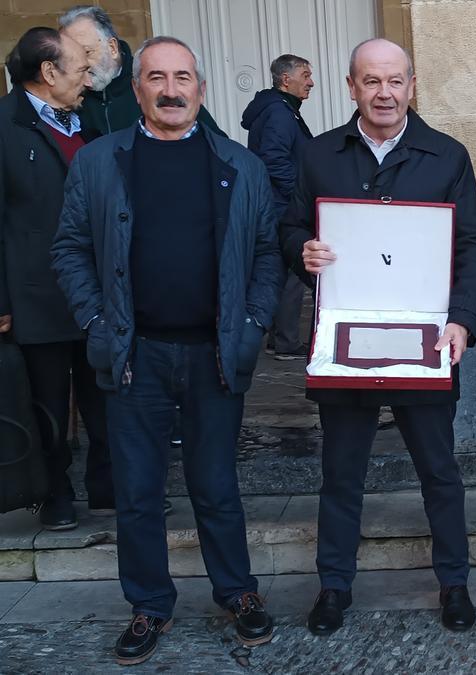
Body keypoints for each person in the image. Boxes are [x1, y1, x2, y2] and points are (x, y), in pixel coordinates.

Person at [51, 36, 281, 665]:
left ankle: (238, 593)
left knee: (216, 486)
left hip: (213, 354)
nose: (172, 89)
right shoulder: (100, 162)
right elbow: (69, 249)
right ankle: (149, 604)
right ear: (138, 90)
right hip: (133, 354)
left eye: (183, 77)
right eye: (158, 77)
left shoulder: (241, 164)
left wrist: (255, 321)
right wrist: (97, 322)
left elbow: (267, 253)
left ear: (201, 91)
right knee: (138, 492)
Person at [278, 38, 476, 638]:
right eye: (371, 81)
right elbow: (290, 225)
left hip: (426, 339)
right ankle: (333, 586)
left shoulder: (445, 156)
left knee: (440, 474)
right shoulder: (319, 155)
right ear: (351, 87)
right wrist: (303, 250)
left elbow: (473, 243)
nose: (384, 93)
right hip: (345, 339)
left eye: (395, 81)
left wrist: (464, 319)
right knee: (341, 475)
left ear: (412, 85)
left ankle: (454, 583)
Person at [0, 27, 108, 531]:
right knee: (46, 404)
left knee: (104, 394)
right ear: (48, 72)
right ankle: (55, 494)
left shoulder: (81, 123)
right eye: (80, 68)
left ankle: (108, 486)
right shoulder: (4, 127)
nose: (89, 78)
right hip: (35, 296)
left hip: (93, 291)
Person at [241, 53, 315, 361]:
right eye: (306, 75)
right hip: (282, 206)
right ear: (286, 80)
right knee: (294, 272)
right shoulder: (280, 113)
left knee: (281, 271)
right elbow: (274, 159)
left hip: (275, 204)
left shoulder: (280, 109)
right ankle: (285, 341)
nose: (311, 82)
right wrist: (298, 194)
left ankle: (277, 337)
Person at [59, 4, 225, 139]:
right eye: (71, 58)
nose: (80, 64)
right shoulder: (70, 94)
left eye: (87, 52)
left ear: (112, 47)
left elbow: (218, 147)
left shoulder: (152, 81)